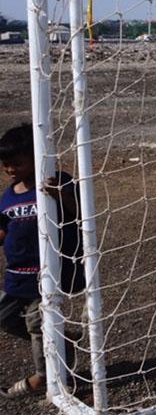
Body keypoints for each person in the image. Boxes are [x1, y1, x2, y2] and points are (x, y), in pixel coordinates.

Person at [0, 123, 84, 399]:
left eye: (16, 163)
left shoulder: (56, 180)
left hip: (46, 271)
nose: (10, 169)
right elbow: (4, 228)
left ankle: (45, 375)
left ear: (36, 157)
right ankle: (60, 339)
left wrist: (61, 196)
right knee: (6, 317)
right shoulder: (10, 194)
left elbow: (81, 214)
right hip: (16, 273)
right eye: (5, 164)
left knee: (37, 323)